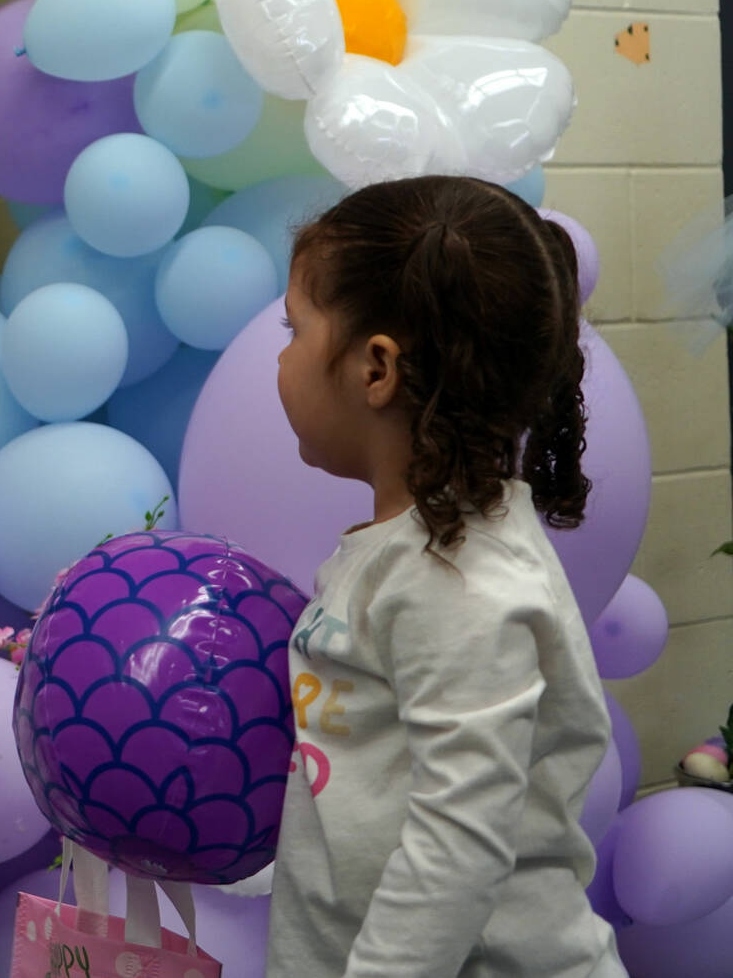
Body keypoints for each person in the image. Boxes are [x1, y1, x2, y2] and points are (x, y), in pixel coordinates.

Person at [265, 175, 624, 978]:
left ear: (377, 368)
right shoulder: (413, 549)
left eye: (294, 328)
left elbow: (458, 844)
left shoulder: (459, 580)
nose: (282, 356)